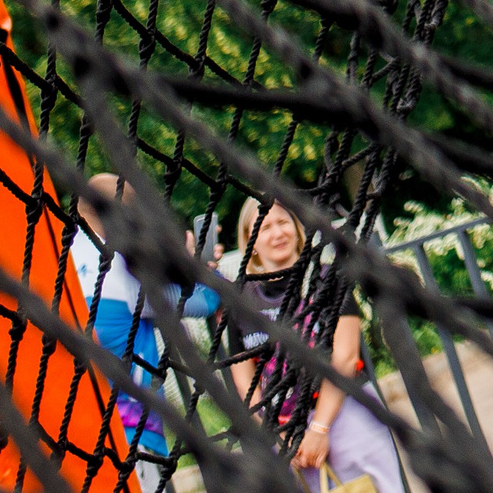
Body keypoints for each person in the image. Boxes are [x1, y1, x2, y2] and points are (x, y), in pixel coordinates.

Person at [224, 197, 406, 493]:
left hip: (347, 415)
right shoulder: (241, 300)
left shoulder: (328, 279)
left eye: (283, 222)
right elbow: (244, 379)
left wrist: (319, 429)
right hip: (282, 433)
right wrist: (274, 435)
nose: (277, 233)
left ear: (297, 229)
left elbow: (345, 357)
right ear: (250, 240)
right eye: (265, 226)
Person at [69, 173, 221, 490]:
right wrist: (194, 265)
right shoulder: (124, 270)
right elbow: (206, 302)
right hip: (133, 437)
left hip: (78, 433)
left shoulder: (63, 259)